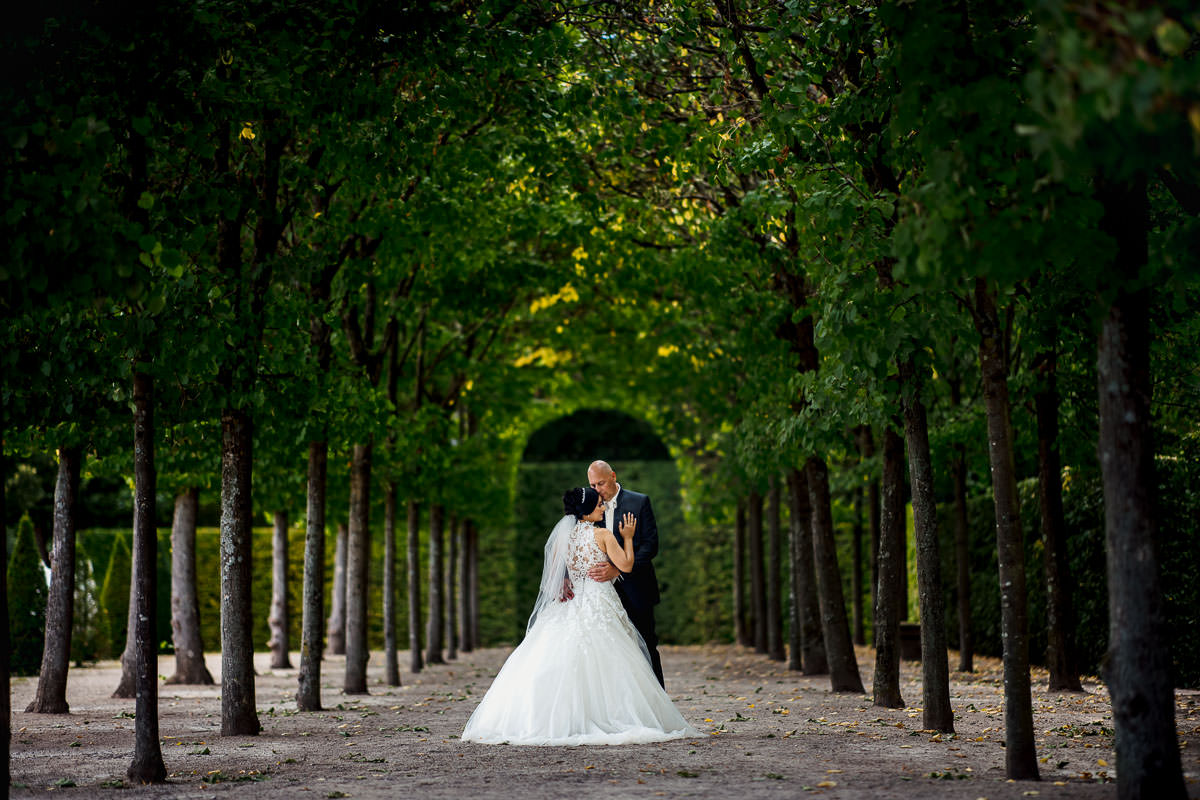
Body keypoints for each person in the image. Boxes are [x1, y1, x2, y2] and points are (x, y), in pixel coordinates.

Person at [461, 486, 697, 746]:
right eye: (598, 505)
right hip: (598, 600)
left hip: (569, 603)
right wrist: (628, 537)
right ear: (586, 512)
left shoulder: (564, 538)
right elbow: (627, 565)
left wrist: (565, 581)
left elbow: (553, 573)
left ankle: (559, 719)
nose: (603, 508)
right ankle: (610, 715)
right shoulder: (604, 534)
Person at [586, 460, 665, 687]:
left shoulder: (639, 502)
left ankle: (659, 704)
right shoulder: (589, 506)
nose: (597, 490)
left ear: (613, 476)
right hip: (601, 592)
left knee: (647, 645)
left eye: (600, 483)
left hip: (637, 587)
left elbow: (650, 545)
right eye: (592, 485)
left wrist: (617, 568)